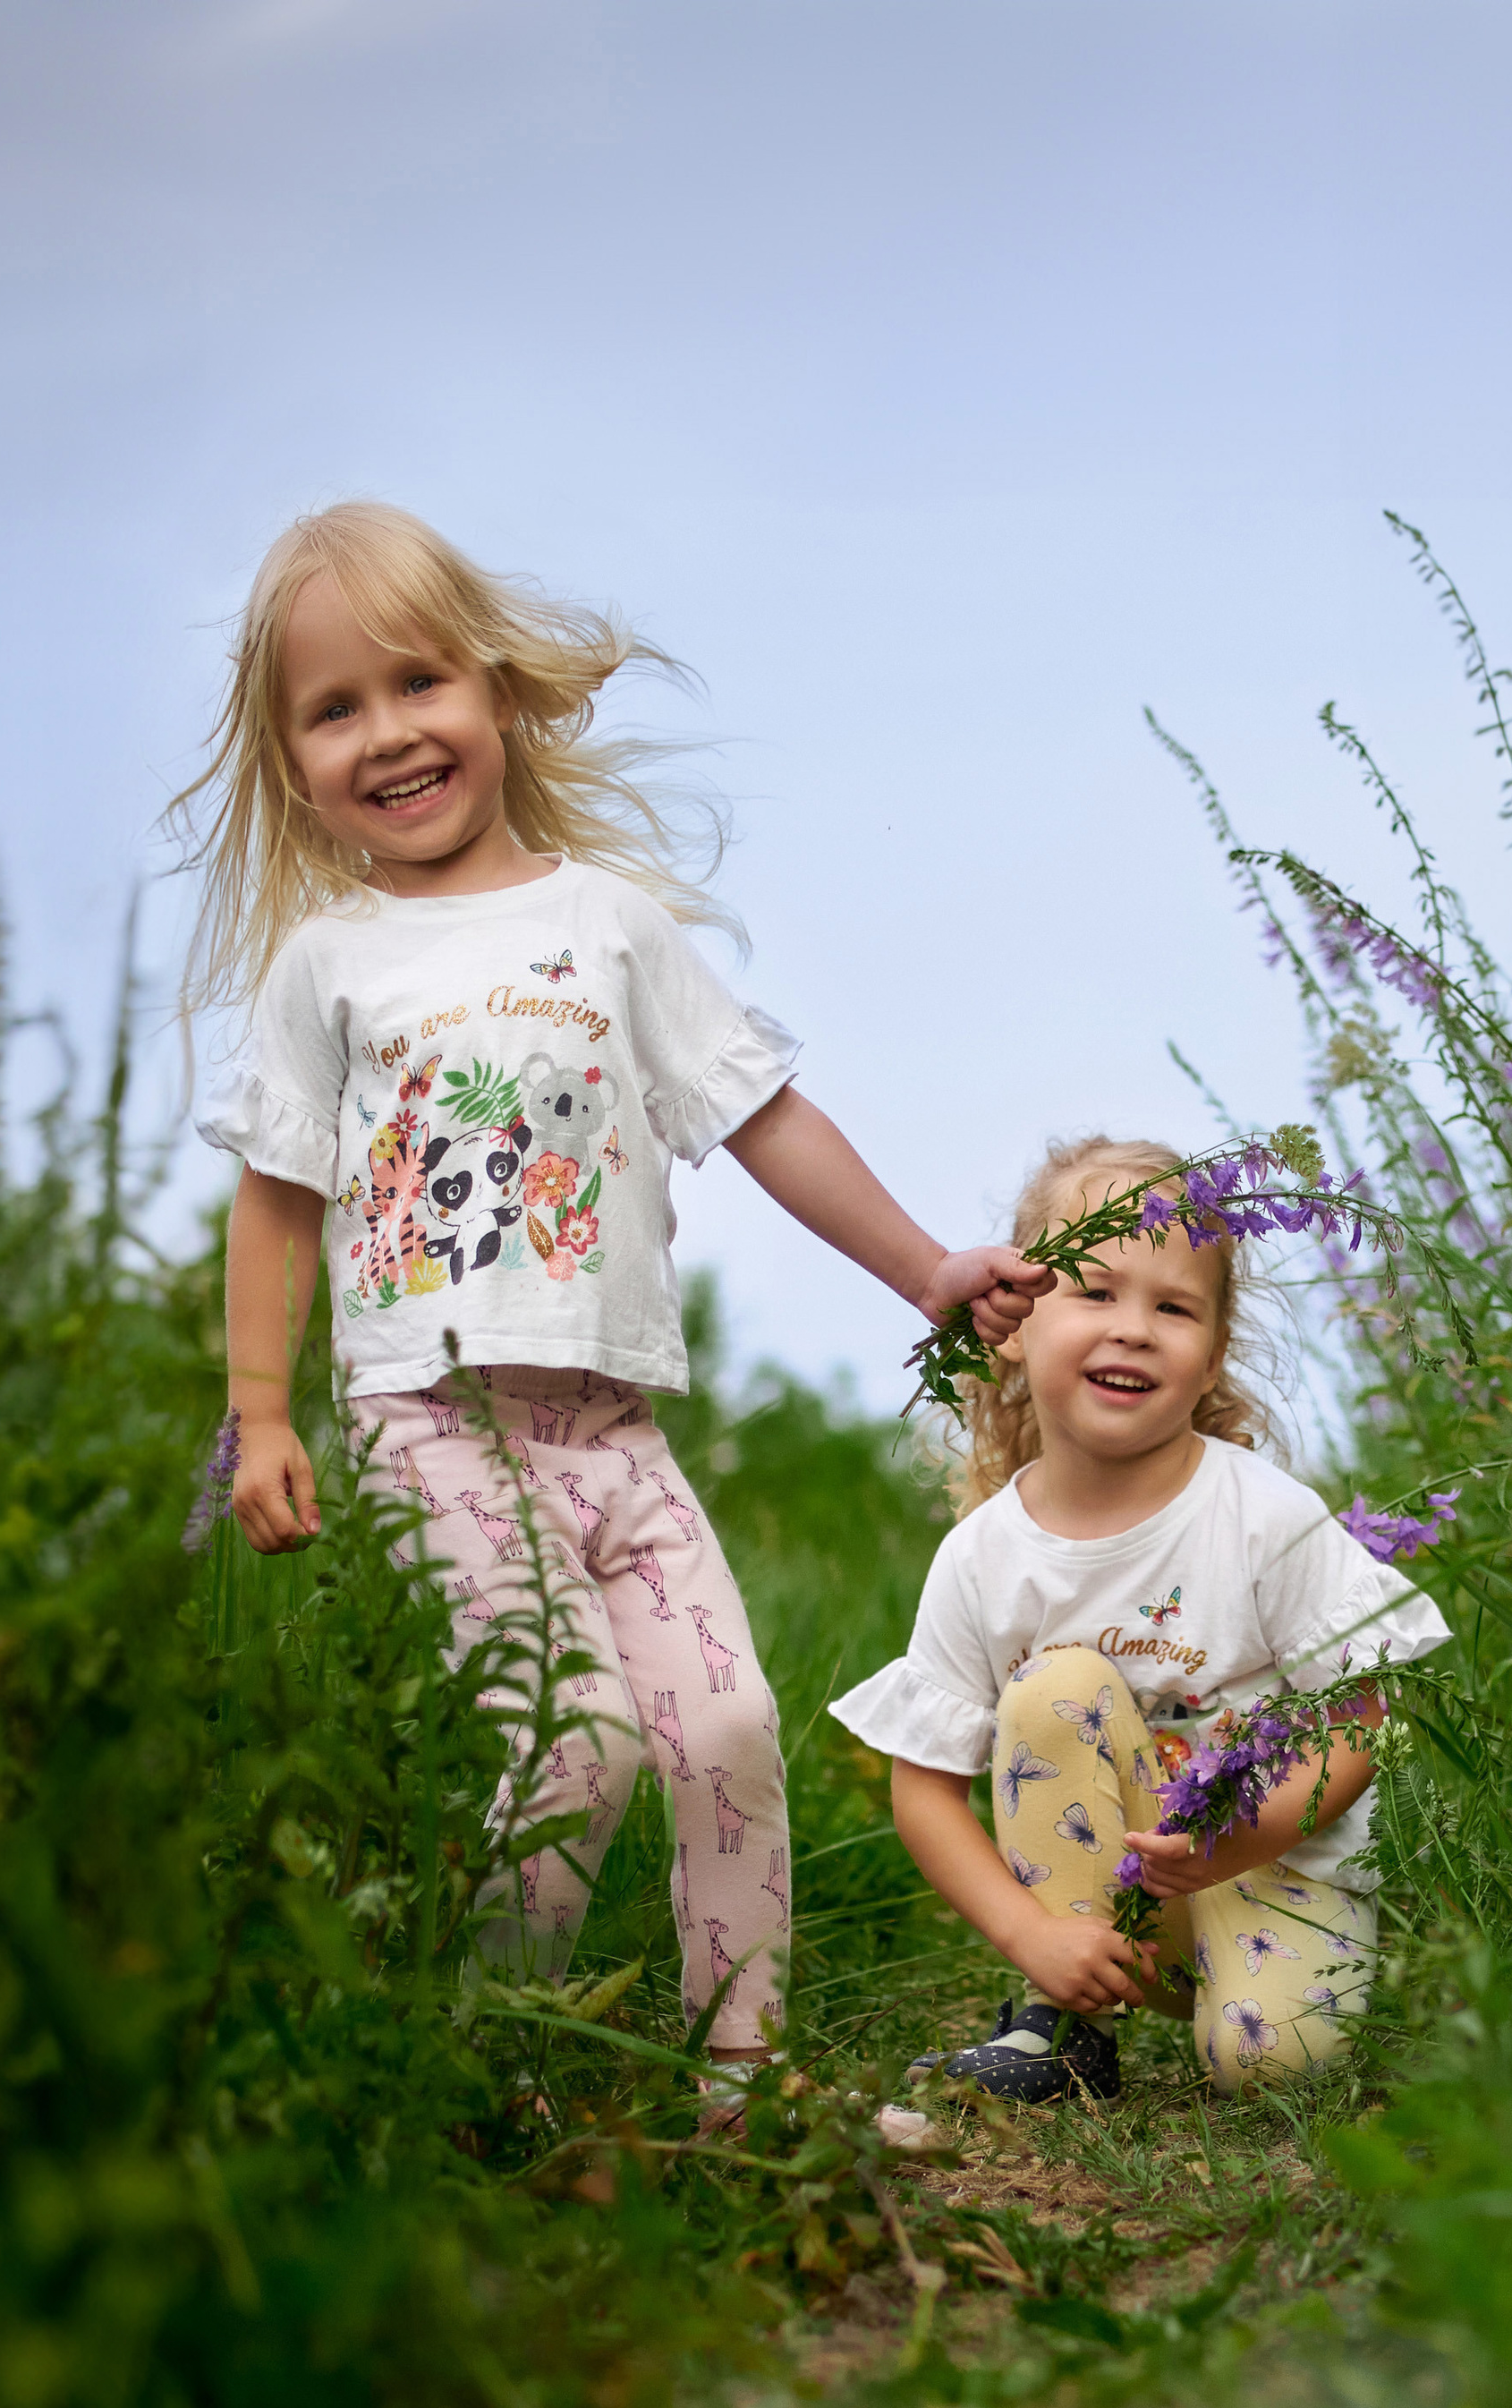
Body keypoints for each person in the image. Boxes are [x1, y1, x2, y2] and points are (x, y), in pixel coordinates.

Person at [183, 501, 1044, 2102]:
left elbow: (764, 1112)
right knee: (564, 1744)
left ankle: (745, 2079)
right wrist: (256, 1415)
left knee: (724, 1734)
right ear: (292, 758)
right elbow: (279, 1194)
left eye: (418, 683)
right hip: (426, 1424)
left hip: (614, 1430)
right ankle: (482, 2051)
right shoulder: (328, 963)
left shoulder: (612, 928)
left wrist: (928, 1267)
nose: (389, 734)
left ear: (497, 693)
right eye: (334, 708)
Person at [832, 1135, 1450, 2105]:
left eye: (1171, 1307)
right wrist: (1032, 1938)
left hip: (1269, 1865)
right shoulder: (984, 1554)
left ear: (1210, 1358)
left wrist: (1236, 1842)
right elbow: (923, 1793)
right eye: (1094, 1291)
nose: (1131, 1329)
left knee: (1270, 2070)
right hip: (1122, 1906)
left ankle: (1301, 1984)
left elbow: (1362, 1714)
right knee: (1054, 1689)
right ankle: (1067, 2025)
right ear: (1014, 1329)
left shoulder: (1262, 1514)